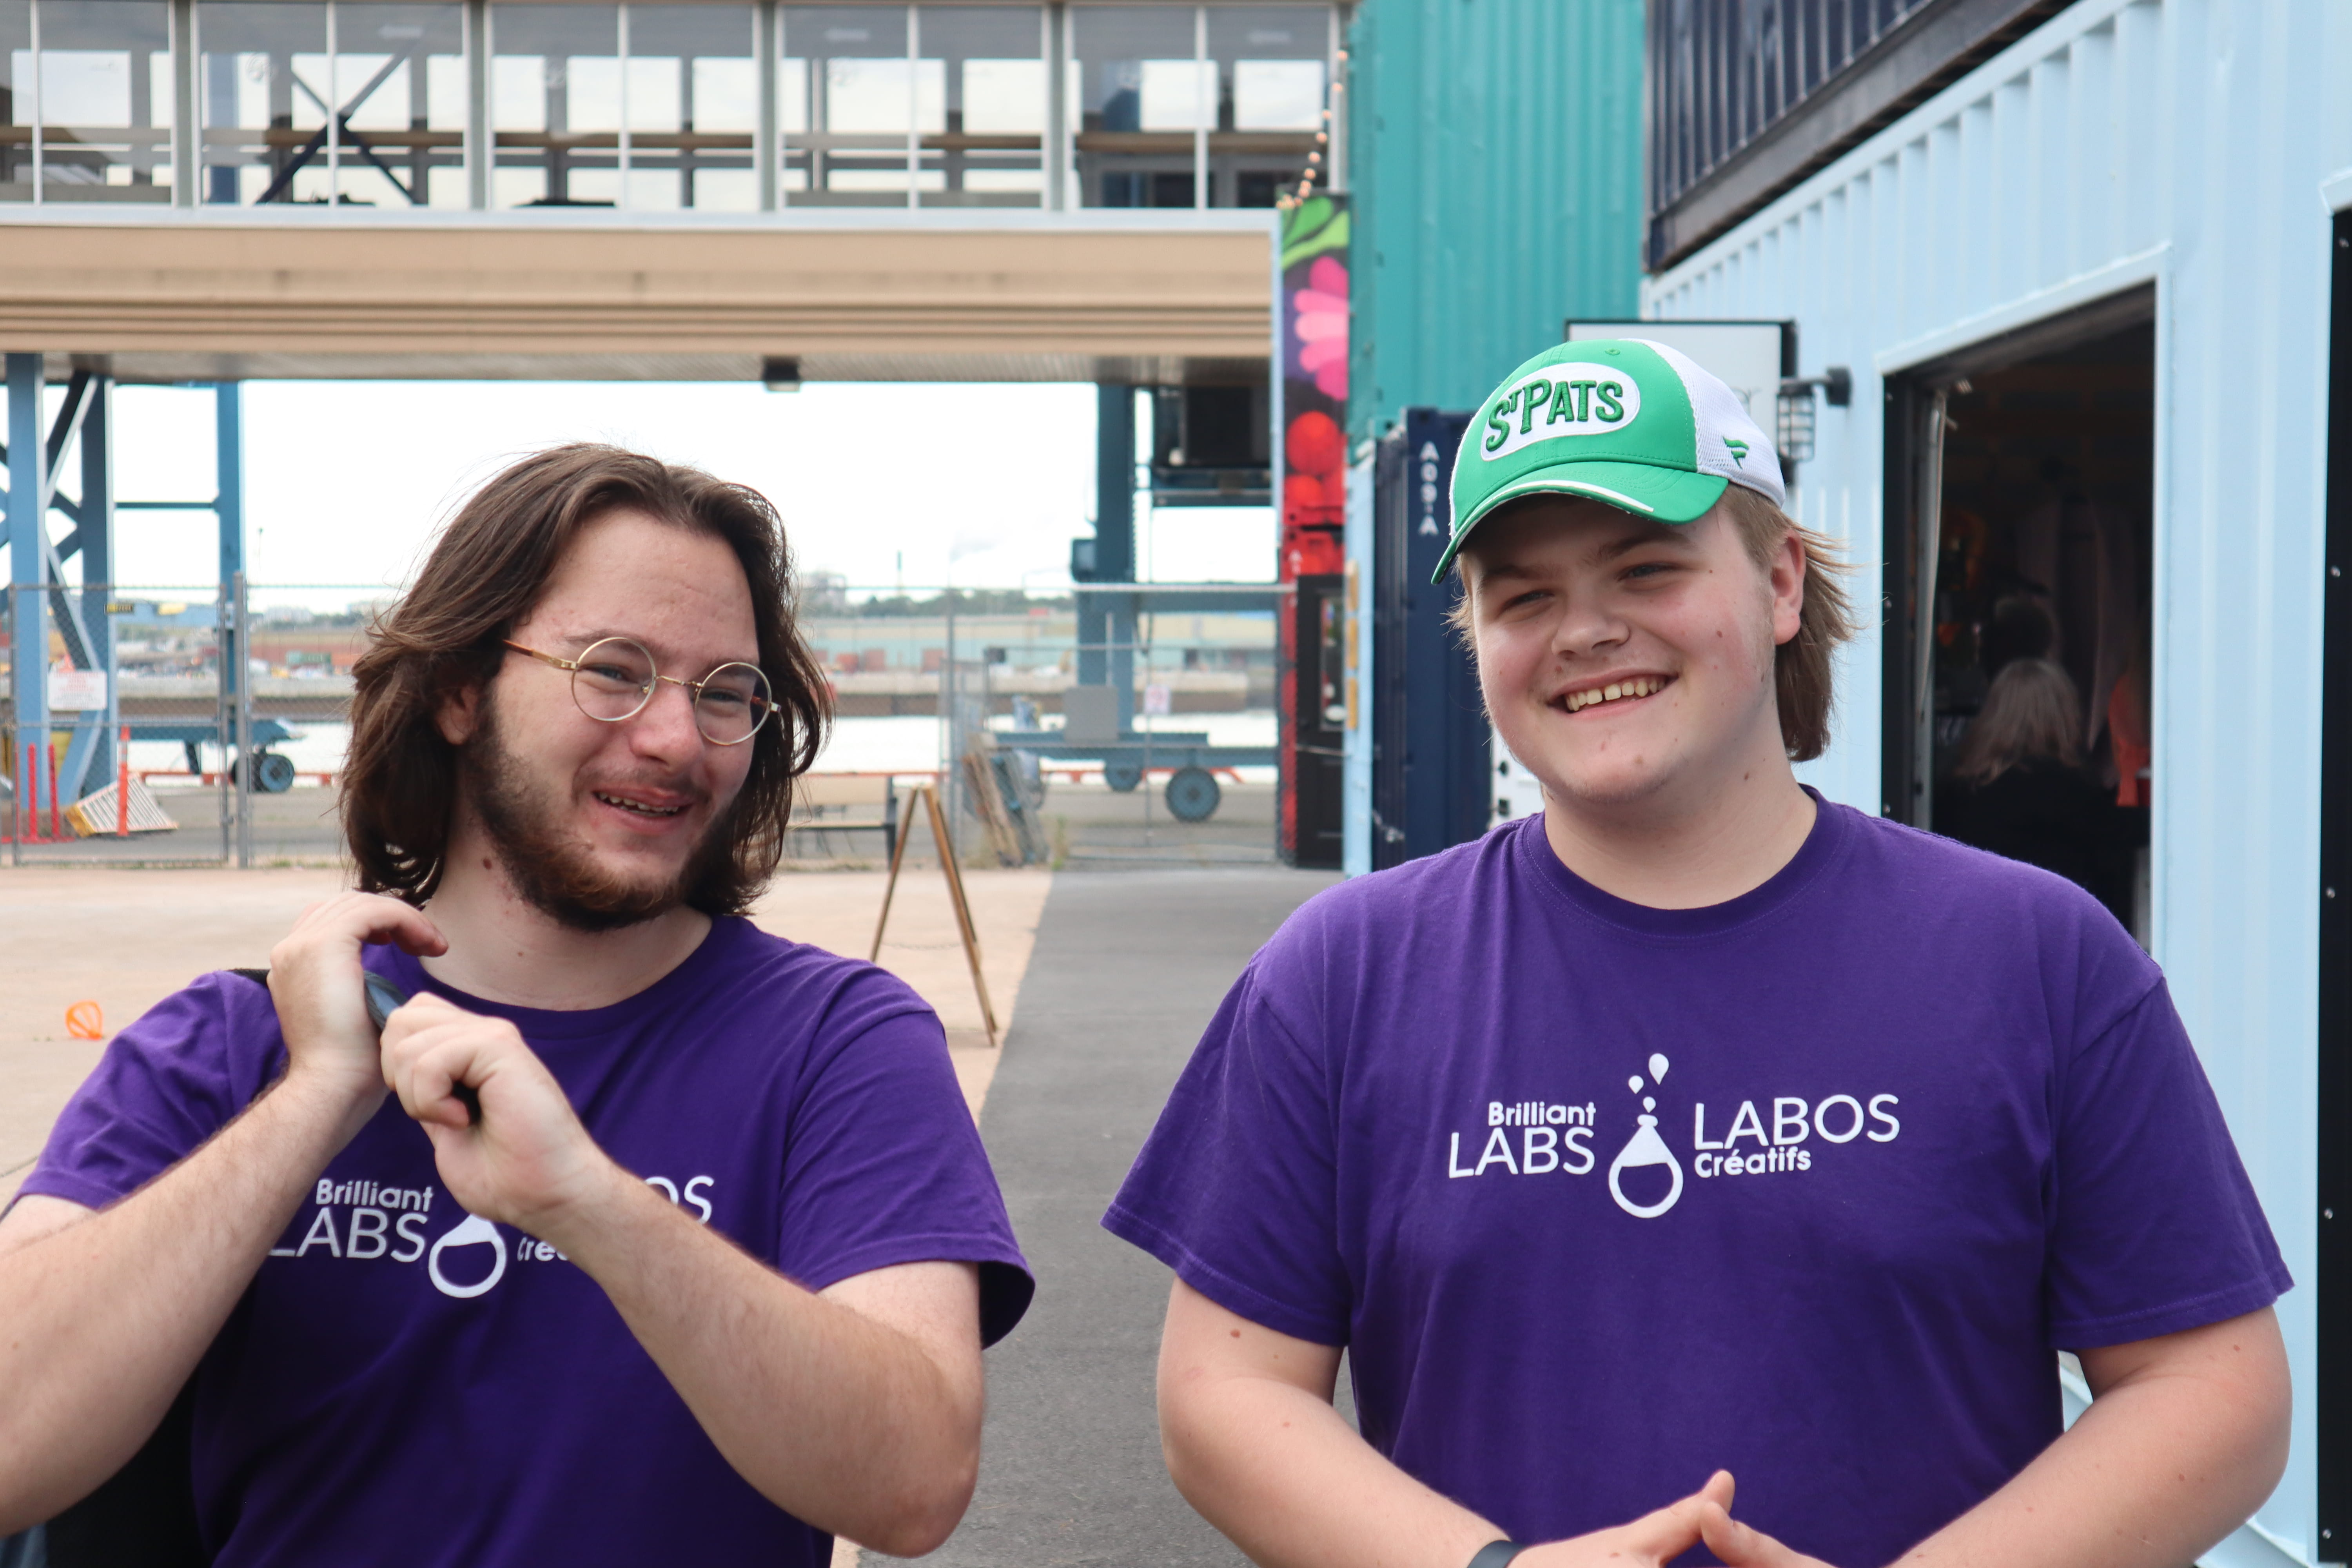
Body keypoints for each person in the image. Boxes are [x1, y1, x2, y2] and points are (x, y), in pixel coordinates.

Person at [1105, 341, 2289, 1568]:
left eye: (1645, 567)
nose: (1584, 631)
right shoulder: (1342, 976)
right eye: (1521, 597)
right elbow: (1222, 1396)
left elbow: (2211, 1384)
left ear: (1778, 580)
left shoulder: (2032, 956)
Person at [0, 446, 1032, 1565]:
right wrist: (314, 1100)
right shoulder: (224, 1049)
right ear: (458, 690)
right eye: (613, 669)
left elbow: (913, 1484)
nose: (677, 740)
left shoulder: (835, 1044)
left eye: (724, 693)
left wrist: (590, 1204)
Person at [1936, 657, 2137, 927]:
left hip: (1973, 924)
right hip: (2043, 930)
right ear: (2061, 715)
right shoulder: (2056, 784)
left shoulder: (1959, 786)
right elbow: (2116, 829)